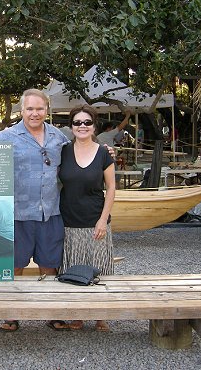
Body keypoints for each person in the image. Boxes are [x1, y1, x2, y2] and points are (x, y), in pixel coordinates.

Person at [0, 89, 115, 332]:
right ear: (22, 110)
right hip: (18, 214)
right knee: (15, 266)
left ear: (47, 110)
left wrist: (106, 153)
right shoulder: (6, 136)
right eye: (30, 109)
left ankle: (52, 313)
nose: (35, 113)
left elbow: (83, 151)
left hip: (50, 213)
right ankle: (11, 314)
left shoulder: (58, 138)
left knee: (50, 266)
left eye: (39, 108)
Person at [59, 104, 116, 332]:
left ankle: (101, 315)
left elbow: (111, 188)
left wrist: (103, 220)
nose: (82, 126)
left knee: (99, 268)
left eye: (87, 122)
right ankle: (77, 314)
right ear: (71, 126)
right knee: (73, 268)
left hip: (96, 221)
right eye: (77, 122)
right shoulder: (62, 150)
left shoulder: (103, 153)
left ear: (94, 126)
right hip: (68, 221)